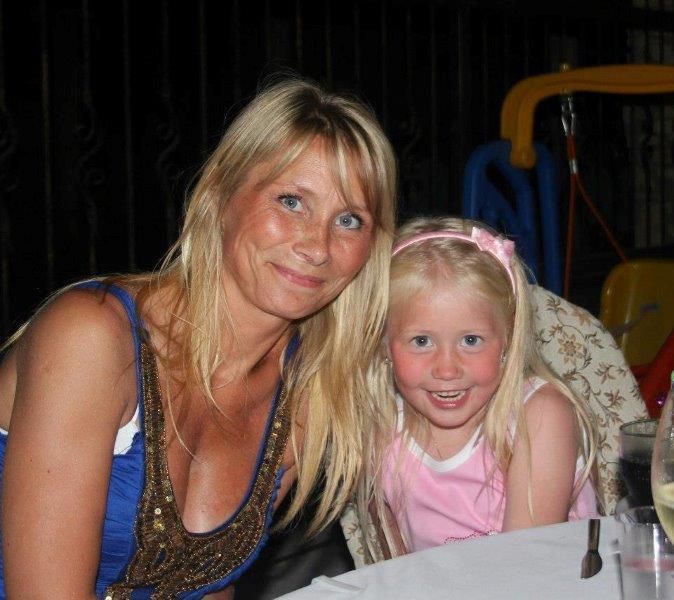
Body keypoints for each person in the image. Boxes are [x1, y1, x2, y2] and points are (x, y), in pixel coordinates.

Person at [0, 77, 396, 598]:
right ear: (220, 197)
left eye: (348, 220)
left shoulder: (309, 392)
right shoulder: (93, 340)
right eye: (291, 201)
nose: (317, 247)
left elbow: (206, 582)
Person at [357, 216, 598, 560]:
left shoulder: (539, 417)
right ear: (383, 343)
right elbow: (397, 567)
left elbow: (525, 564)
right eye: (421, 341)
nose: (447, 369)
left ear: (508, 337)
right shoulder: (381, 431)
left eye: (471, 340)